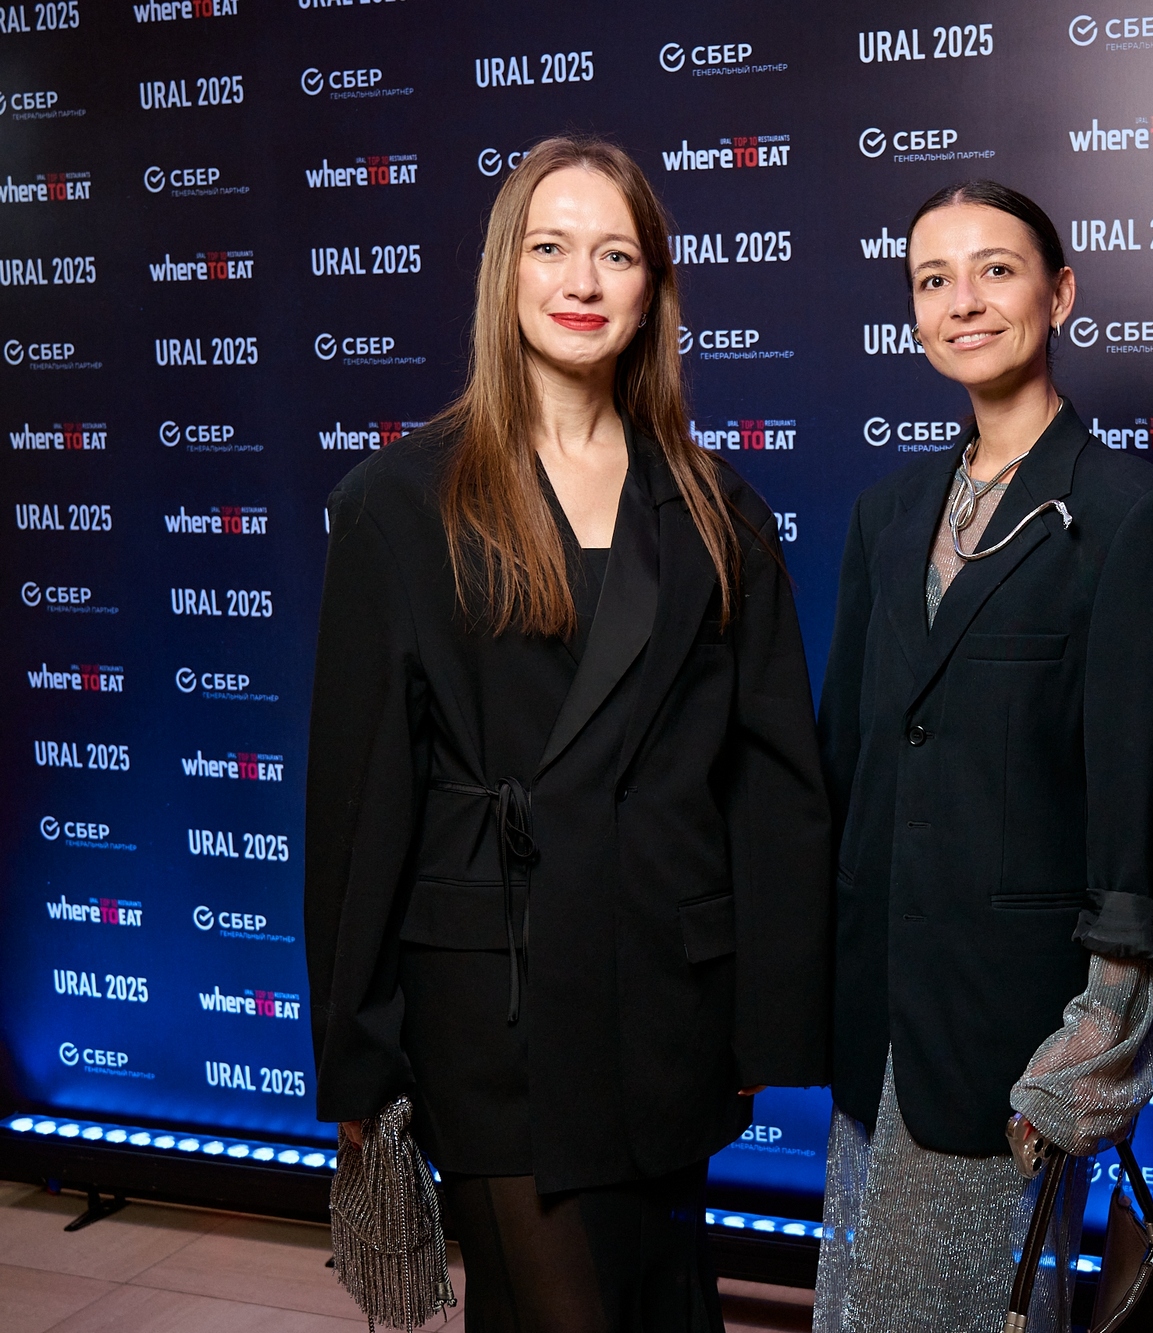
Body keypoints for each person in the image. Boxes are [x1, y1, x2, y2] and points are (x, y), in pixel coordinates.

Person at [303, 136, 830, 1333]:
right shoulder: (399, 503)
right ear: (507, 271)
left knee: (664, 1306)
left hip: (667, 994)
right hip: (489, 998)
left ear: (653, 289)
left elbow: (772, 784)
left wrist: (765, 1014)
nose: (581, 281)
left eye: (615, 254)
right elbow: (359, 800)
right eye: (550, 247)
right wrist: (358, 1054)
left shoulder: (719, 509)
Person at [812, 180, 1153, 1333]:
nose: (963, 302)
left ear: (1060, 293)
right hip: (878, 1007)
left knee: (969, 1311)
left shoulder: (1130, 513)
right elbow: (850, 760)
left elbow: (1142, 785)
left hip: (1015, 1022)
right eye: (933, 280)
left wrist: (1099, 1027)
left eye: (995, 270)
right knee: (862, 1308)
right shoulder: (886, 513)